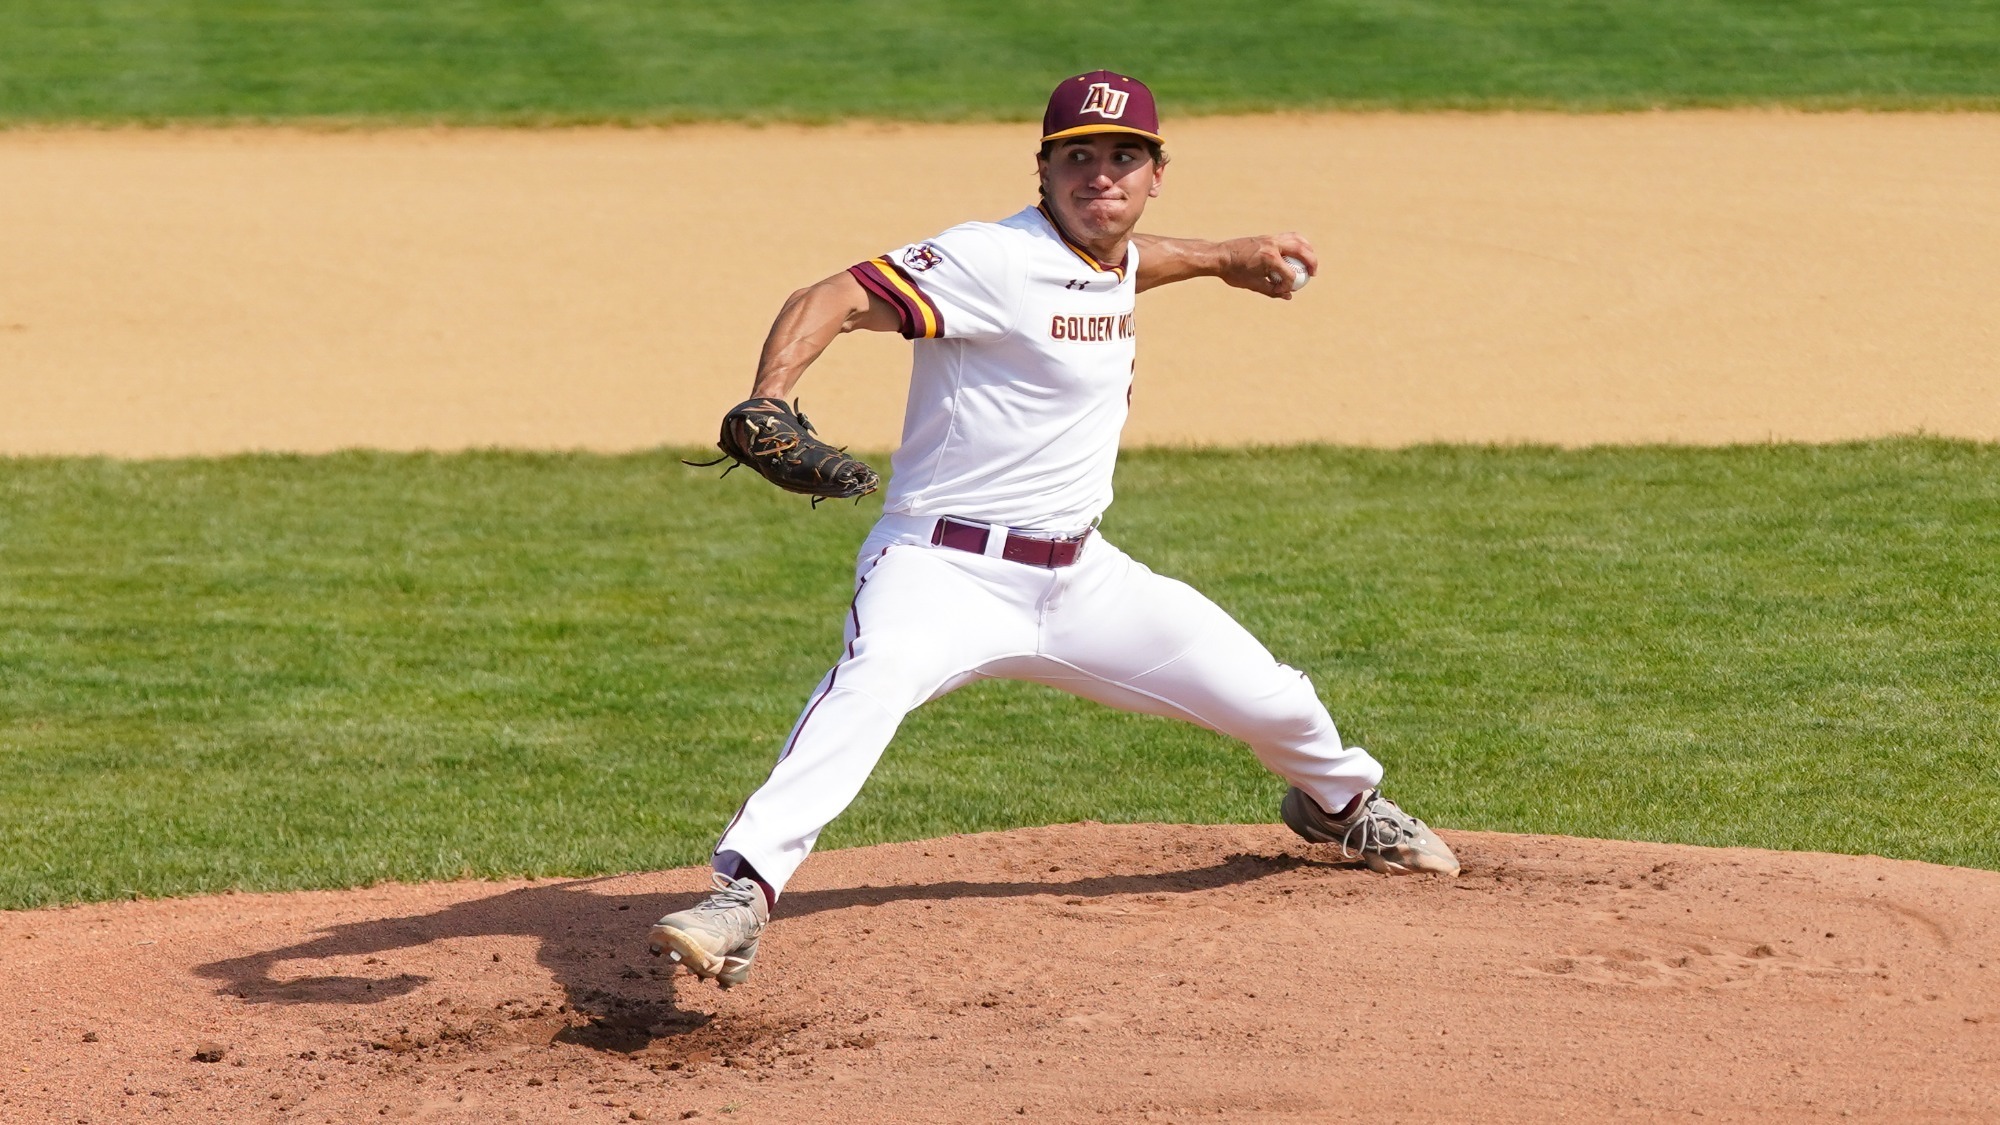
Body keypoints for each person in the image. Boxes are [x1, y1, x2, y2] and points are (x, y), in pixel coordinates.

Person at [651, 71, 1459, 988]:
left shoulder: (1105, 255)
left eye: (1125, 158)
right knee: (867, 689)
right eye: (1079, 157)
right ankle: (742, 893)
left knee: (1273, 696)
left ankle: (1339, 804)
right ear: (1044, 170)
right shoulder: (987, 259)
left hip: (1083, 581)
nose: (1101, 176)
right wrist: (770, 396)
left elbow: (1121, 267)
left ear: (1156, 173)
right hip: (940, 571)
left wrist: (1226, 257)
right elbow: (832, 294)